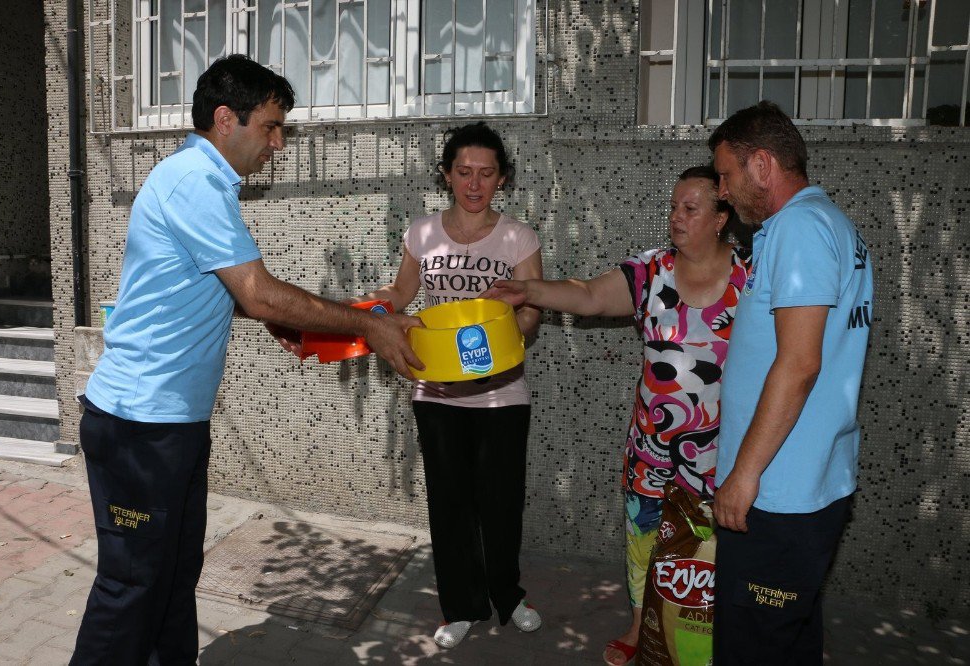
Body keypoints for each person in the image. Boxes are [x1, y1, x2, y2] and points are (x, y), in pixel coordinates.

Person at [70, 54, 423, 665]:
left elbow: (215, 290)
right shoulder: (195, 182)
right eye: (271, 127)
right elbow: (256, 292)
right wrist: (367, 323)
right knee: (132, 585)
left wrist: (288, 320)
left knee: (175, 574)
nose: (279, 144)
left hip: (172, 422)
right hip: (139, 425)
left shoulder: (207, 184)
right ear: (226, 119)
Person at [484, 166, 750, 665]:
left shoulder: (750, 278)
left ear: (721, 218)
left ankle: (700, 636)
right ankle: (638, 626)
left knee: (711, 552)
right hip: (651, 446)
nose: (676, 217)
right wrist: (529, 291)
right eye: (674, 207)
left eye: (690, 209)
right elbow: (586, 295)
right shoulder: (651, 271)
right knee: (642, 541)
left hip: (722, 450)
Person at [352, 122, 543, 649]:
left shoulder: (518, 237)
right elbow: (402, 290)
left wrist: (515, 325)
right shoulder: (422, 233)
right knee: (450, 503)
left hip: (501, 393)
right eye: (464, 172)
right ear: (447, 174)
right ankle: (461, 607)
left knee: (501, 504)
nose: (474, 183)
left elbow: (532, 313)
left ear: (501, 178)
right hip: (436, 392)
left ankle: (509, 597)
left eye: (486, 173)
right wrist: (374, 307)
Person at [708, 101, 874, 664]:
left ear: (761, 165)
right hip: (806, 483)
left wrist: (743, 476)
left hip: (778, 494)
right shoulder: (827, 223)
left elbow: (800, 363)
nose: (723, 191)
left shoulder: (798, 227)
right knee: (790, 638)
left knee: (753, 645)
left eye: (726, 175)